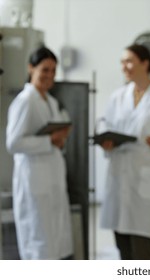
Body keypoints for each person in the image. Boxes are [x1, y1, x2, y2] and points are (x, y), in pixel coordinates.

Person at [99, 43, 150, 260]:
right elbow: (104, 124)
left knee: (141, 245)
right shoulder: (117, 97)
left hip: (145, 177)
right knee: (121, 242)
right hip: (119, 174)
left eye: (129, 61)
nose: (124, 67)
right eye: (122, 62)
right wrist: (105, 139)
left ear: (145, 64)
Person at [6, 46, 73, 259]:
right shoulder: (25, 101)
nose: (50, 76)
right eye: (45, 69)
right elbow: (13, 143)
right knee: (38, 243)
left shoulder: (50, 101)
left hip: (51, 180)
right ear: (31, 68)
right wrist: (49, 140)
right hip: (33, 182)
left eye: (53, 71)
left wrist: (59, 140)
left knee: (52, 242)